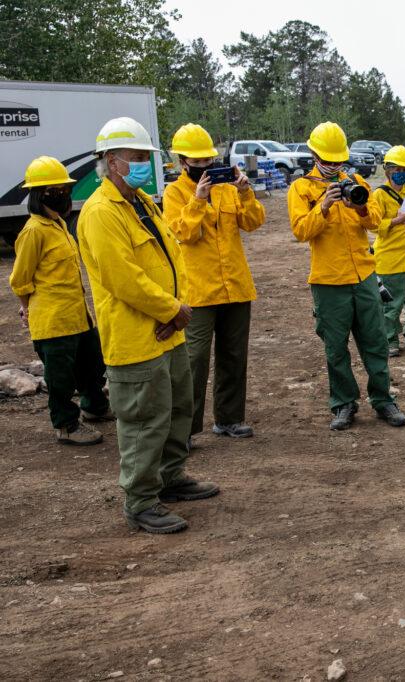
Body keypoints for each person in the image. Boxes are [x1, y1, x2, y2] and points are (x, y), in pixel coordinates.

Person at [78, 117, 218, 534]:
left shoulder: (142, 202)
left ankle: (170, 478)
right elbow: (124, 278)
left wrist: (178, 309)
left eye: (146, 158)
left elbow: (171, 259)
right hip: (136, 335)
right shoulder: (101, 212)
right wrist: (170, 311)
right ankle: (140, 501)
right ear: (111, 161)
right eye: (138, 158)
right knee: (144, 419)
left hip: (167, 328)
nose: (145, 165)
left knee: (178, 406)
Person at [287, 121, 405, 430]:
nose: (333, 166)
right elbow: (301, 231)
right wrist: (324, 207)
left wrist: (360, 207)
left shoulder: (355, 181)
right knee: (335, 346)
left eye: (337, 160)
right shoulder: (301, 188)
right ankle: (343, 403)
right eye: (327, 160)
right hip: (328, 282)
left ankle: (383, 400)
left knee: (375, 341)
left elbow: (375, 222)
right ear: (314, 155)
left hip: (364, 276)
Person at [163, 123, 265, 444]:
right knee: (193, 362)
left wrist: (246, 191)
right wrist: (197, 200)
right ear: (183, 163)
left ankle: (229, 419)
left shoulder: (228, 187)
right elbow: (183, 233)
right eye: (198, 163)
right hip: (199, 292)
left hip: (235, 286)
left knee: (234, 356)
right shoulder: (174, 192)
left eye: (209, 161)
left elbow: (253, 222)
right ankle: (186, 431)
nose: (205, 168)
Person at [8, 156, 112, 446]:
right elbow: (20, 278)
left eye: (64, 189)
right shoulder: (33, 232)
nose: (62, 196)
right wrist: (26, 307)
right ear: (39, 195)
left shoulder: (59, 225)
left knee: (92, 364)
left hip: (78, 315)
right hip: (53, 322)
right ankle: (66, 425)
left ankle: (95, 407)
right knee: (61, 378)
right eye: (54, 190)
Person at [369, 145, 405, 358]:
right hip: (390, 255)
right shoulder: (379, 195)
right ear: (388, 170)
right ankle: (390, 339)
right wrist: (395, 221)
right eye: (399, 170)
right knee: (391, 303)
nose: (403, 173)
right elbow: (373, 225)